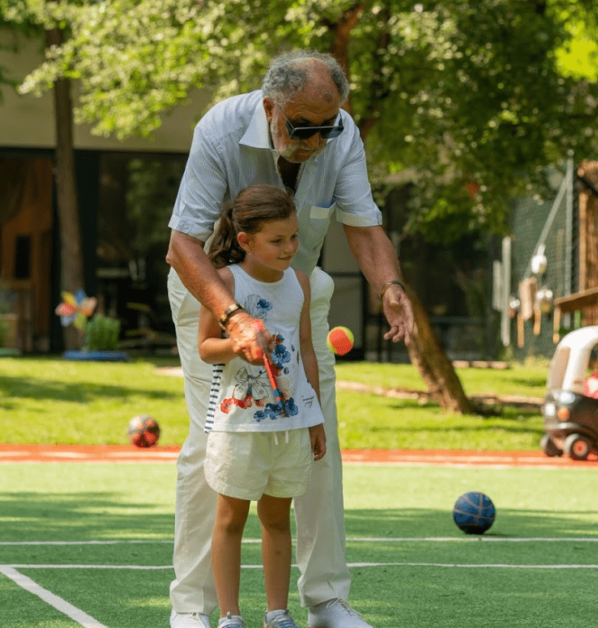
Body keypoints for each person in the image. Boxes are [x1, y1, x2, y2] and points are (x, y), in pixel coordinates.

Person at [165, 50, 415, 628]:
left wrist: (391, 286)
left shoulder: (339, 132)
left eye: (328, 127)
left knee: (315, 442)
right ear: (272, 107)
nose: (317, 141)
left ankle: (325, 599)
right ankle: (194, 609)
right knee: (213, 446)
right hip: (213, 295)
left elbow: (364, 222)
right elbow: (183, 246)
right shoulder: (221, 129)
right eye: (304, 128)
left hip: (298, 303)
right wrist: (234, 318)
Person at [199, 185, 327, 628]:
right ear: (245, 241)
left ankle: (277, 613)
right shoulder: (227, 283)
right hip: (238, 426)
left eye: (293, 237)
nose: (290, 248)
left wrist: (314, 417)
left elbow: (306, 349)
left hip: (290, 426)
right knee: (231, 519)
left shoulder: (302, 284)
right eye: (278, 240)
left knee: (276, 519)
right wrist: (237, 344)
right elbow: (205, 348)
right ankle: (231, 616)